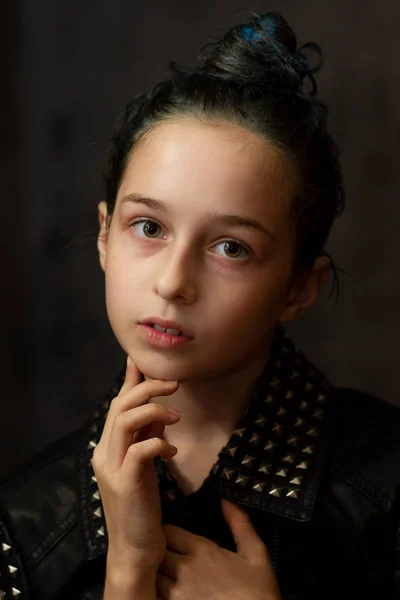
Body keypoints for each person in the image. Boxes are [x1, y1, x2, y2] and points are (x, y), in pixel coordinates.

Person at [1, 9, 399, 600]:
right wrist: (128, 573)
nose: (173, 282)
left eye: (231, 247)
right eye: (149, 227)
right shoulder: (25, 526)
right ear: (105, 237)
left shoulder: (384, 490)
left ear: (298, 287)